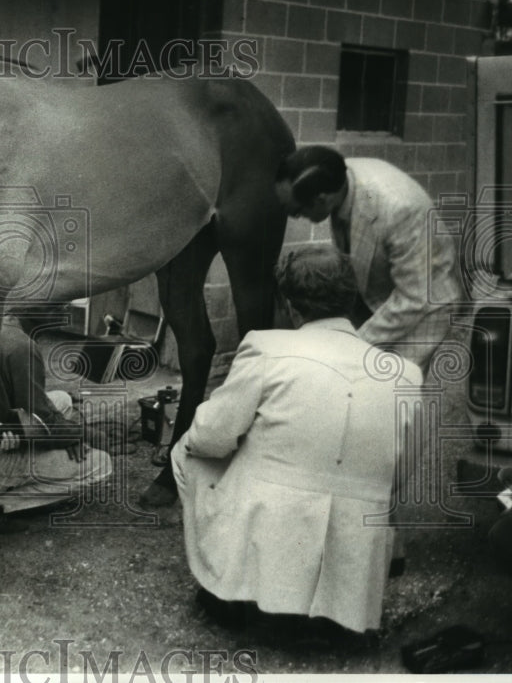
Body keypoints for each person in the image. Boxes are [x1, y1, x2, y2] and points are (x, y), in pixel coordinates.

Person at [171, 245, 422, 635]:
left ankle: (232, 579)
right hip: (350, 599)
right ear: (350, 301)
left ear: (290, 305)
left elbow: (210, 438)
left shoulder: (266, 347)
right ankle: (344, 590)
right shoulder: (405, 375)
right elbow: (398, 477)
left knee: (189, 447)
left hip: (258, 592)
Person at [274, 145, 463, 374]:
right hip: (383, 296)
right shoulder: (336, 177)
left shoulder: (399, 209)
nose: (297, 219)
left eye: (296, 212)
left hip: (426, 306)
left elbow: (415, 297)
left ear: (322, 200)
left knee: (392, 385)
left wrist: (353, 345)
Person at [0, 312, 113, 515]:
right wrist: (79, 435)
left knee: (62, 399)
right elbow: (42, 419)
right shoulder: (21, 346)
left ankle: (45, 460)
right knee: (101, 463)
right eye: (58, 301)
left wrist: (64, 435)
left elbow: (30, 408)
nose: (64, 308)